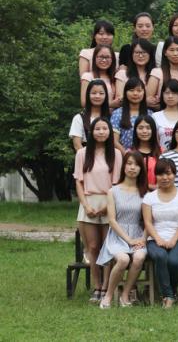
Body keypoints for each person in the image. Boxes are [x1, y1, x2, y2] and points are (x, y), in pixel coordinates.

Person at [74, 116, 122, 302]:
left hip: (109, 201)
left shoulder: (115, 154)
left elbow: (117, 184)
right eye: (97, 129)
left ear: (110, 132)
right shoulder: (82, 154)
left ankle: (107, 285)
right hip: (88, 202)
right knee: (93, 247)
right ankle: (97, 285)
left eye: (104, 128)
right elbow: (78, 182)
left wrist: (106, 206)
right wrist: (86, 205)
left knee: (107, 247)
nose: (101, 132)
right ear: (91, 132)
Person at [97, 151, 148, 308]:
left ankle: (125, 295)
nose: (132, 168)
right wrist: (128, 240)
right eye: (129, 163)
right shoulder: (113, 191)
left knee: (139, 257)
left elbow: (149, 221)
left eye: (137, 165)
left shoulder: (145, 192)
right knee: (123, 259)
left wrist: (142, 239)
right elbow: (112, 220)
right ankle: (108, 295)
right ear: (123, 166)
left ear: (141, 169)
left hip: (138, 234)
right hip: (118, 236)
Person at [142, 159, 178, 308]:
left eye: (168, 173)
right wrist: (158, 239)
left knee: (174, 262)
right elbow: (148, 222)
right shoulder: (149, 197)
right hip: (154, 239)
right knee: (160, 256)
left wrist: (173, 240)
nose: (164, 178)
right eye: (160, 174)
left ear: (174, 174)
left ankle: (171, 293)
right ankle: (168, 296)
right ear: (155, 176)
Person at [147, 36, 178, 109]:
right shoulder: (157, 73)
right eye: (171, 50)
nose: (175, 53)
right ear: (165, 52)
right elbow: (148, 100)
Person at [110, 77, 151, 153]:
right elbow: (114, 141)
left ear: (144, 93)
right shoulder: (117, 114)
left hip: (147, 155)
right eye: (131, 90)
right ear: (125, 93)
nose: (135, 93)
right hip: (124, 155)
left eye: (139, 90)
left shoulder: (150, 114)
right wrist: (127, 155)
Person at [71, 80, 111, 151]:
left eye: (101, 93)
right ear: (88, 95)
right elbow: (77, 145)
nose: (97, 96)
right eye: (93, 93)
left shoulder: (112, 117)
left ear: (106, 96)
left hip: (109, 156)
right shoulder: (79, 118)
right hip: (86, 156)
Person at [81, 45, 119, 109]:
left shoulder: (116, 78)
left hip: (114, 115)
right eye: (101, 57)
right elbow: (84, 103)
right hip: (94, 114)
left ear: (112, 59)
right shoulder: (88, 77)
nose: (104, 60)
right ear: (95, 58)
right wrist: (110, 105)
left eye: (107, 57)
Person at [152, 80, 178, 151]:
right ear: (162, 95)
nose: (170, 96)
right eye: (167, 93)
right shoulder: (155, 116)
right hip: (162, 156)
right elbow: (154, 142)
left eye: (174, 93)